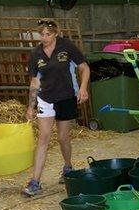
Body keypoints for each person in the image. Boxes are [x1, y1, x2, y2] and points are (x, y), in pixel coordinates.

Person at [22, 19, 90, 197]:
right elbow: (34, 81)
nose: (44, 38)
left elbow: (84, 68)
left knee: (62, 137)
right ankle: (35, 181)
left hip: (66, 96)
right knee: (43, 139)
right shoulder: (36, 54)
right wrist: (31, 105)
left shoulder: (66, 47)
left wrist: (83, 88)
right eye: (42, 34)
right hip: (46, 98)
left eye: (48, 34)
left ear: (55, 33)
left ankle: (67, 166)